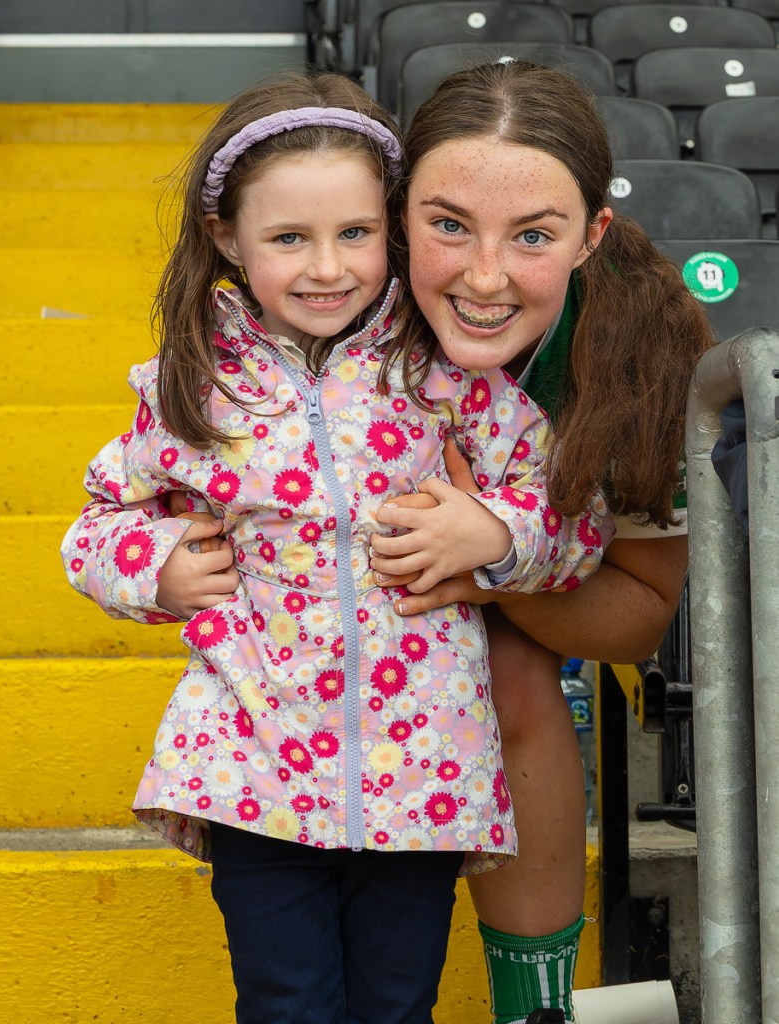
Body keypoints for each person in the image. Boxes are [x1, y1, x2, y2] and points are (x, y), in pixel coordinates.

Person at [60, 70, 613, 1024]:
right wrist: (156, 565)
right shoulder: (195, 387)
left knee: (397, 1005)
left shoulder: (442, 374)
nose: (327, 267)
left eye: (354, 233)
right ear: (226, 237)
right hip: (255, 764)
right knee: (288, 1002)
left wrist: (493, 534)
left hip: (424, 771)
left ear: (388, 230)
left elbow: (576, 519)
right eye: (289, 238)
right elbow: (95, 525)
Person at [366, 60, 716, 1024]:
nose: (485, 276)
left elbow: (641, 615)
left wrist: (491, 564)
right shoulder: (338, 291)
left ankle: (537, 1008)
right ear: (396, 218)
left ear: (591, 235)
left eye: (533, 236)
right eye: (447, 225)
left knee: (510, 663)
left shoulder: (642, 344)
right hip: (333, 626)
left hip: (530, 624)